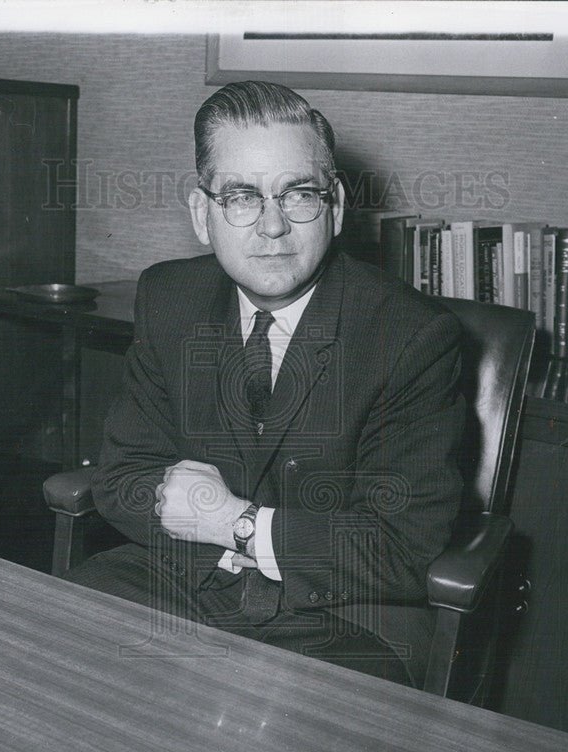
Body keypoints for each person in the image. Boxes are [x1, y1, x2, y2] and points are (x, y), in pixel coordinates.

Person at [70, 80, 465, 687]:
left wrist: (237, 522)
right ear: (203, 215)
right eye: (242, 197)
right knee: (46, 654)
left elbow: (403, 546)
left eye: (298, 194)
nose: (273, 226)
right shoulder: (169, 297)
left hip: (337, 615)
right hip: (178, 581)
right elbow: (122, 479)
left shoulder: (411, 336)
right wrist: (207, 524)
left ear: (335, 206)